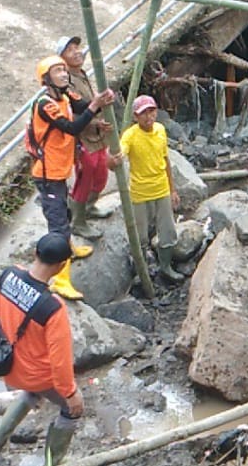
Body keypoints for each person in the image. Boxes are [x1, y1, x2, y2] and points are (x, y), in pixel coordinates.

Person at [0, 232, 84, 465]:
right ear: (61, 267)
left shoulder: (8, 275)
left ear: (34, 254)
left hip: (8, 367)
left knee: (29, 393)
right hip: (37, 376)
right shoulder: (52, 308)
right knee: (72, 410)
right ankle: (53, 464)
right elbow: (60, 362)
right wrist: (71, 395)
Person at [29, 55, 115, 300]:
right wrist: (93, 107)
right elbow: (72, 127)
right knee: (58, 225)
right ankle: (60, 279)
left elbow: (84, 106)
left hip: (59, 170)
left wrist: (100, 102)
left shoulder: (65, 96)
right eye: (58, 71)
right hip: (48, 174)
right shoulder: (45, 104)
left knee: (64, 214)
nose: (64, 74)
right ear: (46, 79)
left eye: (64, 70)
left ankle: (69, 250)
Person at [117, 94, 183, 285]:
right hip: (139, 191)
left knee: (168, 231)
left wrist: (173, 189)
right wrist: (116, 157)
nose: (148, 117)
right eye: (143, 113)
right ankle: (141, 270)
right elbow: (122, 150)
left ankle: (165, 267)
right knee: (140, 235)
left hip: (161, 188)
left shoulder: (161, 130)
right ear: (135, 117)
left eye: (151, 111)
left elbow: (165, 160)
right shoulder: (130, 135)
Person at [55, 34, 116, 241]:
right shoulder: (65, 82)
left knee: (101, 175)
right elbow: (75, 111)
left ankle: (89, 207)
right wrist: (96, 120)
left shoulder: (81, 73)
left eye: (76, 48)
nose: (76, 52)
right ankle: (78, 221)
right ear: (61, 58)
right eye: (70, 50)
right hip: (83, 137)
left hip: (96, 135)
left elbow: (90, 102)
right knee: (85, 177)